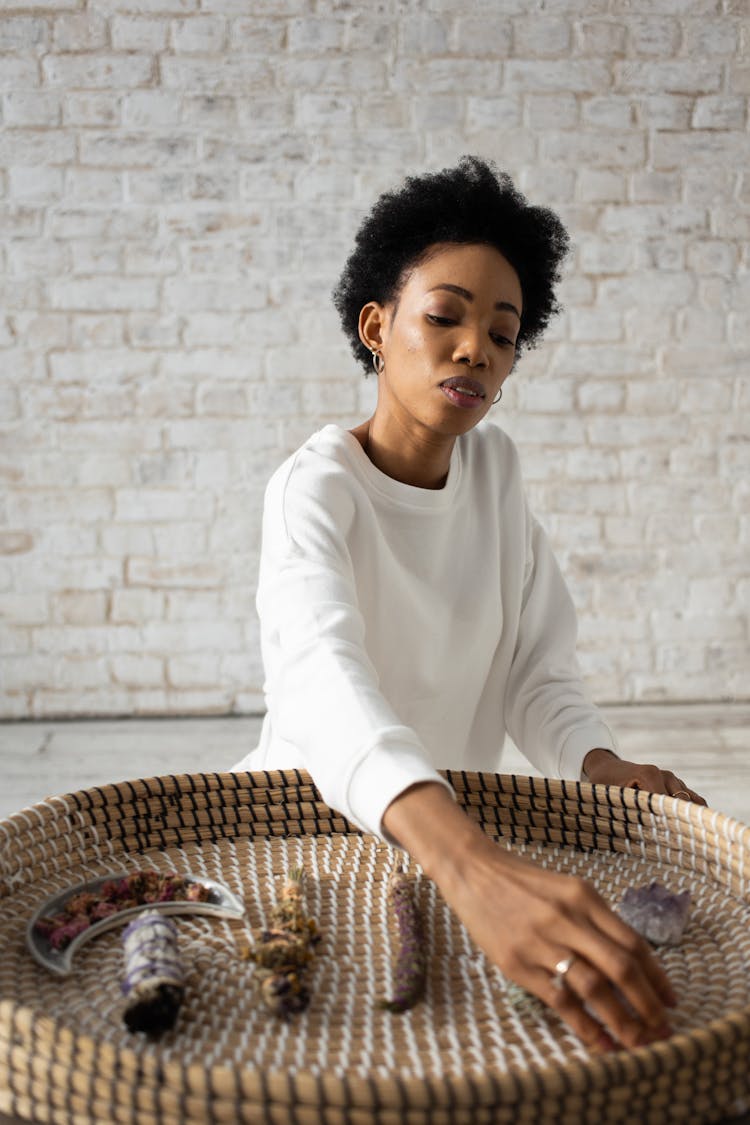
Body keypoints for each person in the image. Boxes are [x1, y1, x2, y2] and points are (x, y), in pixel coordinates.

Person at [233, 156, 706, 1053]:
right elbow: (320, 679)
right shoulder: (314, 488)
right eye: (444, 317)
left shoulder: (496, 473)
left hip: (448, 839)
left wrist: (599, 761)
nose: (475, 351)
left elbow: (534, 669)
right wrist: (472, 863)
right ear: (377, 326)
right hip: (309, 834)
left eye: (503, 331)